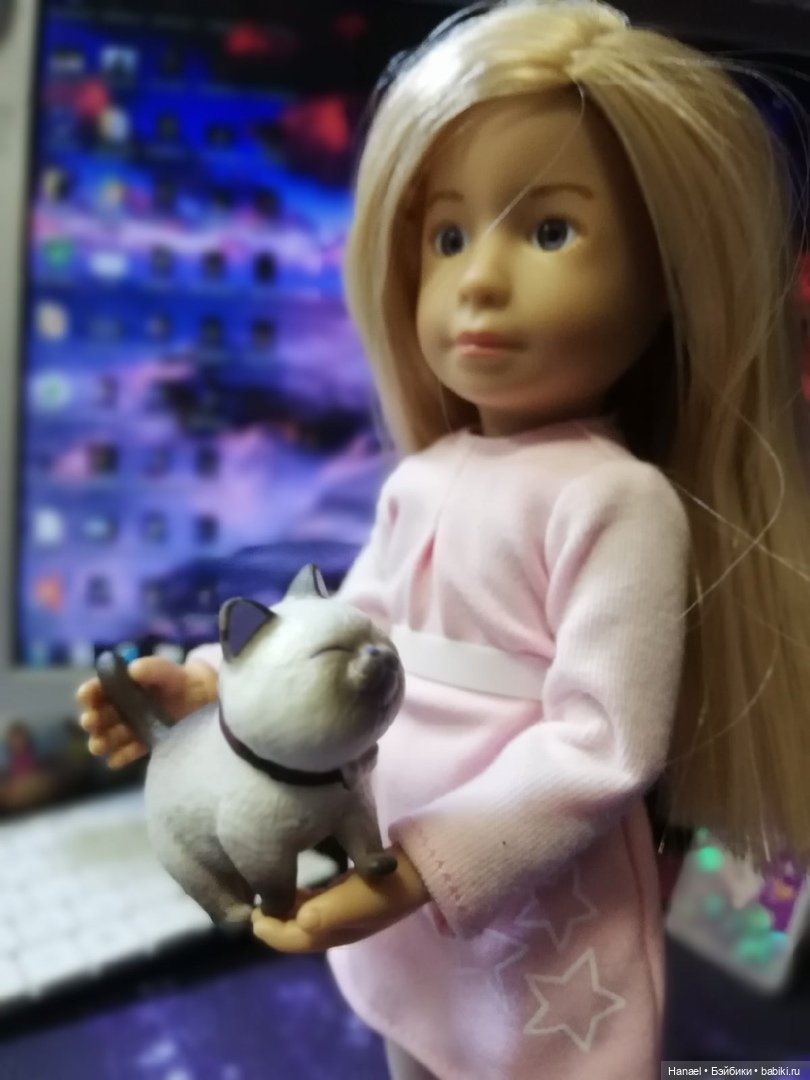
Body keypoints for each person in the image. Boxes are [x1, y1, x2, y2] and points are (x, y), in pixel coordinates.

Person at [79, 3, 810, 1076]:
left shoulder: (615, 501)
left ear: (668, 282)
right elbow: (346, 629)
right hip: (393, 860)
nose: (479, 280)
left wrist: (421, 872)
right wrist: (210, 688)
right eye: (449, 237)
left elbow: (601, 743)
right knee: (410, 1037)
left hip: (516, 883)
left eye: (550, 232)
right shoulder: (424, 478)